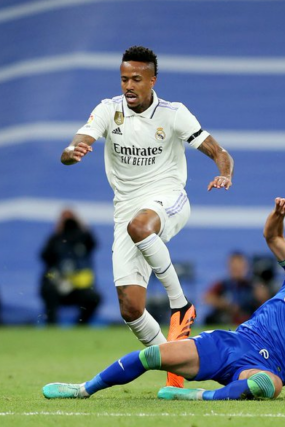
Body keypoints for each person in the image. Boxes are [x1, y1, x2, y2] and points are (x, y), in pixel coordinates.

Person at [42, 197, 285, 401]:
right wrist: (278, 215)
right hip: (232, 344)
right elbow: (273, 237)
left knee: (266, 385)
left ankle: (197, 397)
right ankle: (84, 389)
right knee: (152, 356)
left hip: (268, 368)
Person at [60, 46, 234, 387]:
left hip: (168, 198)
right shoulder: (109, 110)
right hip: (125, 209)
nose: (129, 85)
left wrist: (225, 173)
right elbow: (76, 143)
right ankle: (176, 366)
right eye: (124, 78)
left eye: (137, 79)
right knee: (130, 307)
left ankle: (180, 305)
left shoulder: (174, 114)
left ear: (152, 80)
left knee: (140, 225)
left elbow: (219, 151)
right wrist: (71, 152)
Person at [40, 209, 101, 325]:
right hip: (57, 284)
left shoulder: (83, 239)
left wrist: (82, 224)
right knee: (47, 288)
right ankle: (51, 326)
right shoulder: (55, 240)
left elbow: (93, 243)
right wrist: (56, 279)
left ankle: (80, 326)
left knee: (94, 297)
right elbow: (46, 264)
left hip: (78, 287)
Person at [204, 251, 269, 325]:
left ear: (246, 267)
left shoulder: (254, 285)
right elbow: (208, 298)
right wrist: (226, 305)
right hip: (227, 322)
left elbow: (265, 305)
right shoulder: (224, 284)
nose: (237, 270)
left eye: (239, 266)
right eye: (234, 267)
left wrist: (262, 297)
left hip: (248, 323)